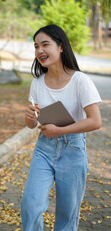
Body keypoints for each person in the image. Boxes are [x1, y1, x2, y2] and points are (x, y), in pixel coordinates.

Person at [21, 24, 102, 231]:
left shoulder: (80, 81)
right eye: (36, 46)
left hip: (73, 151)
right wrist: (29, 117)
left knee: (67, 215)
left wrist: (60, 130)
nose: (40, 51)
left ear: (61, 47)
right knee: (31, 205)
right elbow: (32, 125)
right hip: (44, 150)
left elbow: (95, 121)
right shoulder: (37, 83)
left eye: (45, 44)